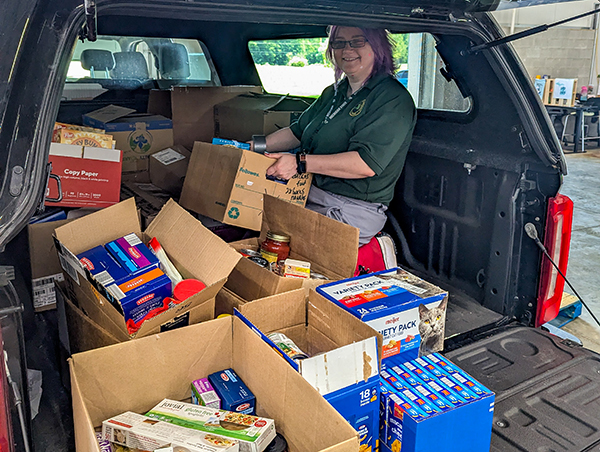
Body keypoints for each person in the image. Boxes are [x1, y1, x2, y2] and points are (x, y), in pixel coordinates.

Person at [251, 25, 416, 246]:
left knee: (276, 250)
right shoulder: (334, 92)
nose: (347, 50)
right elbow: (297, 132)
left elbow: (365, 163)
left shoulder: (392, 99)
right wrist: (254, 146)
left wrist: (300, 163)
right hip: (307, 192)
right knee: (247, 227)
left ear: (377, 46)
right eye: (339, 43)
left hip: (352, 208)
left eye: (357, 41)